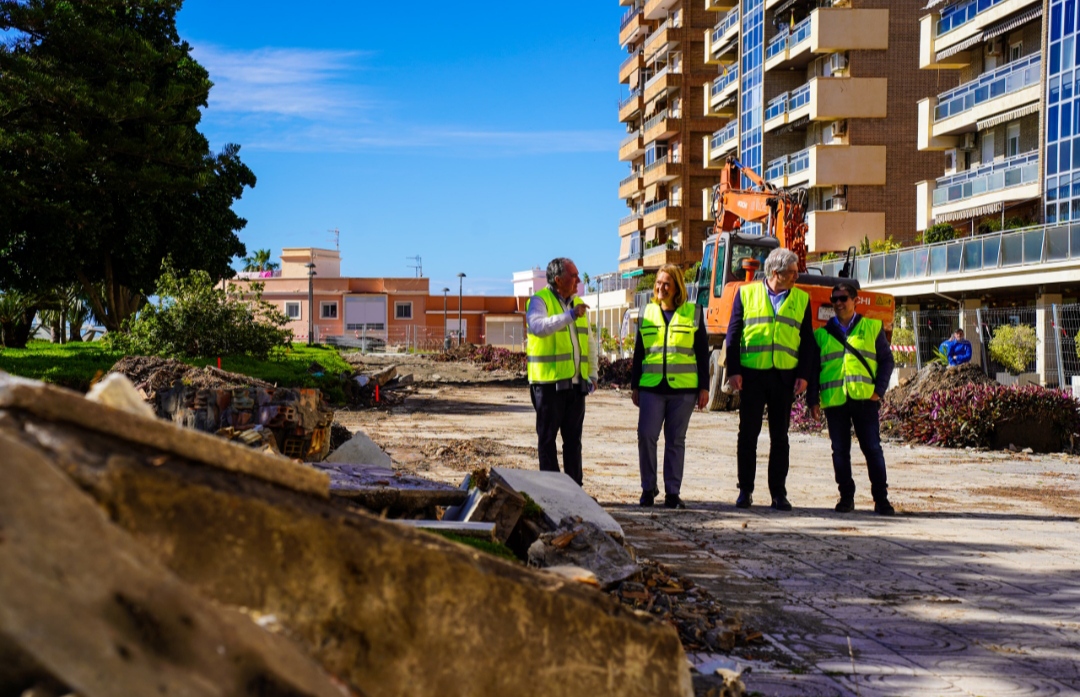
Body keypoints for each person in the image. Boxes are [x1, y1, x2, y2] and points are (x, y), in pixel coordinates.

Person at [725, 248, 814, 511]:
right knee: (748, 434)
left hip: (784, 377)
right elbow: (733, 335)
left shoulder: (801, 299)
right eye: (792, 273)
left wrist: (803, 375)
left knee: (780, 437)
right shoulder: (746, 293)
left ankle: (778, 493)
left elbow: (807, 341)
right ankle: (745, 491)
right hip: (752, 375)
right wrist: (734, 370)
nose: (797, 276)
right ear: (776, 273)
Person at [808, 282, 896, 515]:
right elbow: (813, 369)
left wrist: (879, 391)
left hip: (865, 399)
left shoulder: (871, 327)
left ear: (855, 300)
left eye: (842, 298)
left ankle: (881, 499)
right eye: (834, 299)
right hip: (835, 400)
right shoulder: (822, 335)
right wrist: (813, 401)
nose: (838, 303)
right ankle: (846, 497)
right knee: (840, 451)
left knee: (873, 449)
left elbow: (887, 361)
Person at [631, 265, 710, 509]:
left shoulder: (693, 313)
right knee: (646, 436)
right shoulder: (646, 312)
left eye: (666, 283)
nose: (660, 287)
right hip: (651, 388)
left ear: (677, 287)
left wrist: (704, 388)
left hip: (683, 390)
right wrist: (635, 385)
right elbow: (639, 352)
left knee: (675, 440)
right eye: (658, 282)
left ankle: (672, 493)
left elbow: (701, 354)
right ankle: (648, 488)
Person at [526, 258, 598, 486]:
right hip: (548, 386)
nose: (578, 280)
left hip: (576, 386)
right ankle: (553, 491)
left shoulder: (578, 305)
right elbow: (538, 327)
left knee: (573, 442)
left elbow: (590, 343)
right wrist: (569, 316)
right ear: (558, 280)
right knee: (547, 440)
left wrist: (593, 374)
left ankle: (575, 490)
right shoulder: (540, 301)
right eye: (573, 275)